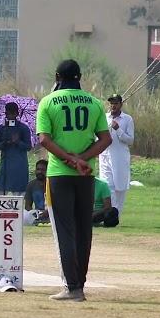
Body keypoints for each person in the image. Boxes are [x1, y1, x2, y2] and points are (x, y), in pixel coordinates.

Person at [36, 59, 112, 302]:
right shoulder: (94, 102)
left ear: (58, 77)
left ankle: (72, 287)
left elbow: (44, 141)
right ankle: (81, 283)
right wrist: (82, 159)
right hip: (85, 174)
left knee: (65, 231)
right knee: (83, 230)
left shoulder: (47, 102)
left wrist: (68, 158)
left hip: (59, 173)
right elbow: (105, 139)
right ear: (79, 77)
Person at [99, 93, 134, 214]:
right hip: (105, 157)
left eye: (116, 103)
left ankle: (116, 214)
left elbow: (130, 140)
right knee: (108, 187)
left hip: (120, 158)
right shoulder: (104, 118)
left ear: (121, 104)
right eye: (111, 103)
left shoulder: (127, 119)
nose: (113, 106)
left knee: (120, 187)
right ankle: (110, 214)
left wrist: (118, 129)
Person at [0, 102, 32, 195]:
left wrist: (18, 142)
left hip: (20, 166)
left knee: (18, 196)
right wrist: (5, 142)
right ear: (5, 114)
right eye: (8, 113)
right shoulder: (1, 128)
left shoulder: (23, 128)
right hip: (5, 165)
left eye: (13, 113)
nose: (10, 115)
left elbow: (28, 146)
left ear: (17, 113)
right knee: (0, 193)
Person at [24, 159, 49, 225]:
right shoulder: (31, 184)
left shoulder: (52, 184)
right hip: (37, 215)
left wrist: (47, 212)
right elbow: (27, 206)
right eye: (38, 169)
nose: (40, 172)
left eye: (43, 170)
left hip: (52, 215)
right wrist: (35, 214)